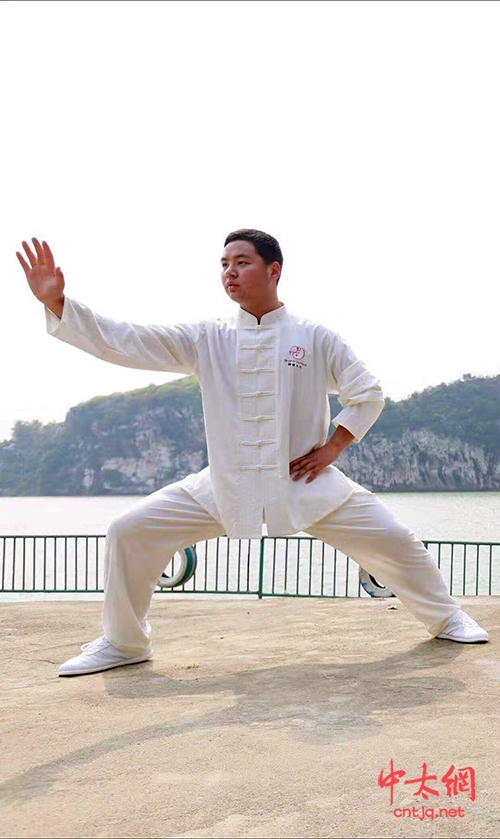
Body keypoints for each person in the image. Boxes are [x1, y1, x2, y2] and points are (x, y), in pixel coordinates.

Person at [16, 230, 488, 676]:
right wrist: (58, 303)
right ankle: (125, 643)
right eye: (224, 264)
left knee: (395, 540)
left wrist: (333, 448)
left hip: (305, 482)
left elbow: (367, 393)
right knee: (129, 530)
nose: (230, 272)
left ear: (274, 270)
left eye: (242, 262)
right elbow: (130, 340)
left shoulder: (315, 336)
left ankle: (446, 618)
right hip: (225, 484)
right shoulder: (207, 337)